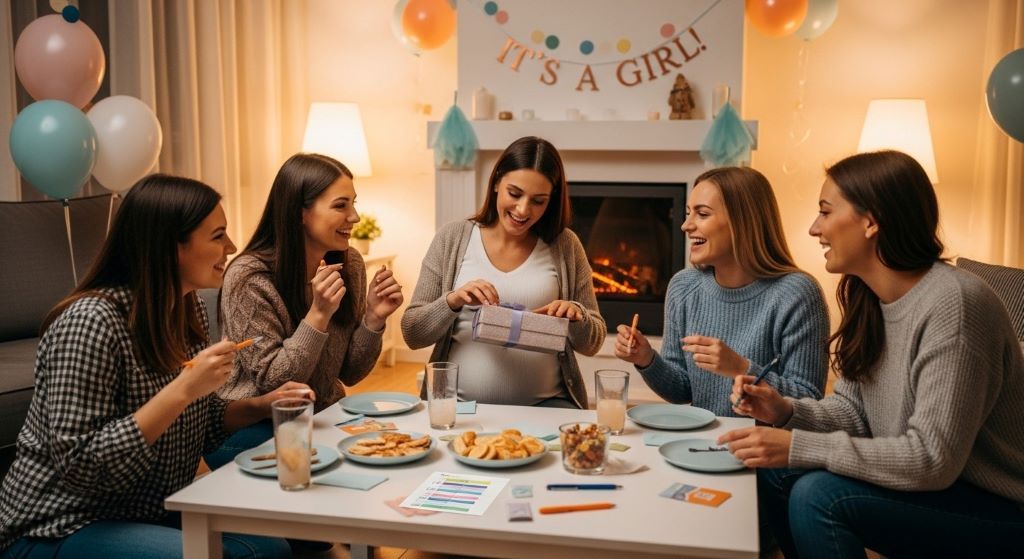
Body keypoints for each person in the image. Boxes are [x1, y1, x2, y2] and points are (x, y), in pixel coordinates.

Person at [719, 151, 1024, 558]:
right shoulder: (871, 300)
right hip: (936, 491)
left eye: (825, 212)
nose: (814, 228)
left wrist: (796, 446)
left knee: (818, 495)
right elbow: (855, 414)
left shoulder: (956, 305)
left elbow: (932, 459)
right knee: (773, 472)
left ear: (871, 221)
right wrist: (785, 412)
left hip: (997, 507)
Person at [0, 175, 304, 558]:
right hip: (59, 522)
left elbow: (199, 423)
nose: (231, 246)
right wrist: (182, 389)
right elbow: (80, 465)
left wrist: (260, 405)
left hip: (145, 509)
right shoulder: (90, 322)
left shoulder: (187, 308)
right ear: (169, 248)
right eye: (217, 236)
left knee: (270, 548)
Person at [207, 153, 403, 468]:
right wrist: (318, 315)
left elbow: (349, 373)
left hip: (322, 416)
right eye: (341, 205)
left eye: (353, 203)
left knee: (393, 450)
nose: (354, 216)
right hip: (255, 427)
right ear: (300, 213)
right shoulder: (249, 278)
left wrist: (373, 319)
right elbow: (275, 384)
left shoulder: (348, 264)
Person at [402, 136, 605, 408]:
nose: (523, 210)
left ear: (551, 201)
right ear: (496, 182)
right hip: (457, 407)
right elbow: (412, 333)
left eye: (538, 201)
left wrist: (576, 315)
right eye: (515, 193)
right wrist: (453, 300)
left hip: (549, 406)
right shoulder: (452, 238)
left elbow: (593, 343)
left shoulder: (565, 245)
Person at [614, 166, 829, 416]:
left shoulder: (797, 294)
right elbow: (682, 390)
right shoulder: (683, 287)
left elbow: (809, 401)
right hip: (701, 443)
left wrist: (741, 368)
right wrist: (647, 358)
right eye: (687, 213)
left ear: (742, 222)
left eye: (702, 214)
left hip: (764, 448)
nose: (686, 225)